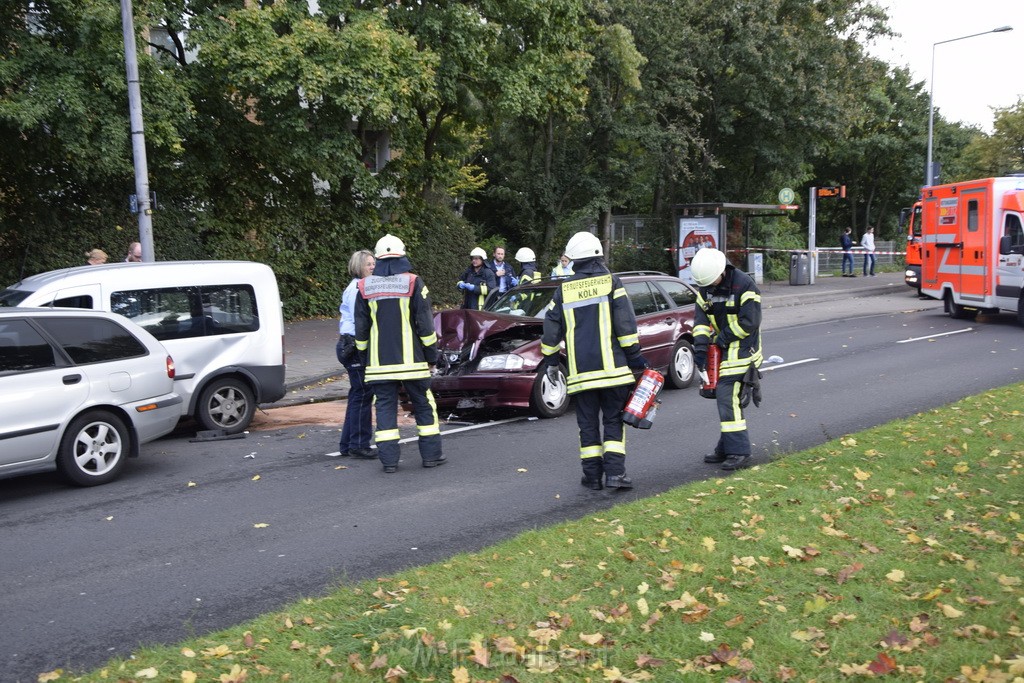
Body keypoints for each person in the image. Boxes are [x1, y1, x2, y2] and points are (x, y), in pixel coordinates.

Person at [540, 231, 647, 491]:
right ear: (598, 254)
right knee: (613, 421)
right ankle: (615, 475)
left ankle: (591, 477)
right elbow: (626, 327)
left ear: (574, 258)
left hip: (581, 375)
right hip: (614, 373)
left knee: (586, 425)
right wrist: (636, 361)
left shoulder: (563, 290)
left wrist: (552, 363)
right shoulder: (613, 283)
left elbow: (551, 331)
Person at [354, 234, 443, 473]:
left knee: (384, 409)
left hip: (379, 365)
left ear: (378, 259)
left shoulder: (364, 286)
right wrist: (431, 356)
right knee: (424, 405)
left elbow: (361, 330)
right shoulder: (414, 282)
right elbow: (425, 324)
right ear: (402, 255)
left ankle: (390, 462)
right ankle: (431, 456)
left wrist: (364, 358)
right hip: (413, 362)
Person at [690, 248, 762, 471]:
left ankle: (739, 451)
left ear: (723, 270)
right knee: (724, 399)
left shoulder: (745, 285)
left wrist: (722, 338)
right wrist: (700, 349)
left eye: (712, 283)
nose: (710, 288)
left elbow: (749, 322)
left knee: (726, 397)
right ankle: (726, 446)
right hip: (721, 352)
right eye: (707, 285)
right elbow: (701, 322)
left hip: (743, 351)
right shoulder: (705, 289)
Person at [335, 249, 376, 459]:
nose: (372, 267)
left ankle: (348, 444)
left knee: (357, 395)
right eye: (368, 264)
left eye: (373, 263)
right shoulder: (357, 289)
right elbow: (360, 320)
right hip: (353, 345)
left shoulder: (357, 287)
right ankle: (359, 444)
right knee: (362, 395)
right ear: (359, 266)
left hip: (348, 344)